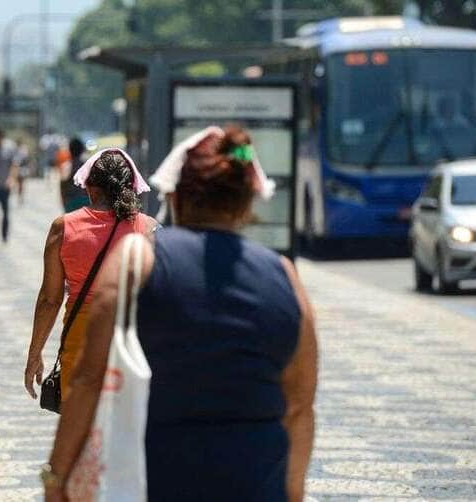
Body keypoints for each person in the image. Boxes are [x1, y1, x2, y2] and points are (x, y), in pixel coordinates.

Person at [42, 125, 318, 501]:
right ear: (248, 203)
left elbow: (89, 379)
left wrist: (57, 478)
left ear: (174, 194)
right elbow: (300, 406)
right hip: (255, 482)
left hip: (156, 479)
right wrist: (293, 493)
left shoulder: (136, 262)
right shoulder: (285, 276)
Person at [24, 148, 156, 401]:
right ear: (130, 187)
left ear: (90, 188)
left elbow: (50, 300)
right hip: (131, 342)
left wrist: (34, 354)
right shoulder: (149, 229)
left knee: (79, 419)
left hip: (81, 340)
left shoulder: (63, 228)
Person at [59, 137, 91, 212]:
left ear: (69, 150)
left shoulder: (66, 166)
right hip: (86, 202)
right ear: (82, 150)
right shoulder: (87, 165)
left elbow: (62, 185)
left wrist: (64, 202)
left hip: (70, 202)